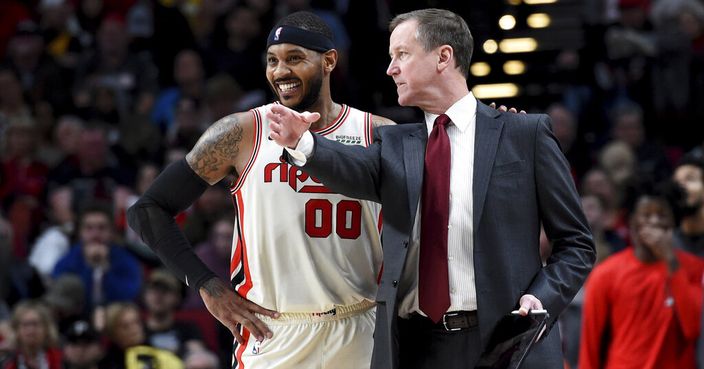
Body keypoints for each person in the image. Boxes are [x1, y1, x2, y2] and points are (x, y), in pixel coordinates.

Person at [268, 8, 595, 369]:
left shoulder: (523, 134)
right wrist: (304, 143)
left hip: (508, 344)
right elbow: (350, 166)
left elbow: (576, 243)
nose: (391, 68)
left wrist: (541, 296)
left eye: (402, 55)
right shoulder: (393, 142)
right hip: (418, 348)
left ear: (443, 57)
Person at [127, 11, 393, 369]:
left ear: (329, 60)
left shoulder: (377, 133)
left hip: (359, 328)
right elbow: (147, 209)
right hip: (273, 331)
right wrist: (208, 285)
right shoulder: (242, 133)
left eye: (295, 58)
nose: (280, 71)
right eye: (273, 60)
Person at [579, 194, 704, 369]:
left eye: (662, 215)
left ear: (673, 224)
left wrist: (671, 261)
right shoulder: (606, 273)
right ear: (632, 224)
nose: (654, 221)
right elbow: (590, 343)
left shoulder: (695, 268)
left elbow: (693, 329)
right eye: (646, 215)